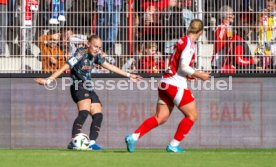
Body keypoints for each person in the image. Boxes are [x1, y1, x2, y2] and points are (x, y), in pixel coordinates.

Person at [35, 35, 141, 150]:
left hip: (88, 87)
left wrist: (129, 75)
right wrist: (48, 80)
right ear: (88, 44)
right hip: (78, 86)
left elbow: (110, 66)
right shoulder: (80, 53)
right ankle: (74, 142)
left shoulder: (95, 56)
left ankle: (91, 143)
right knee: (84, 113)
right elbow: (64, 66)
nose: (97, 49)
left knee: (98, 115)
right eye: (95, 46)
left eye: (99, 47)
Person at [125, 19, 210, 153]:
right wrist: (200, 74)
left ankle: (133, 137)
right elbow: (183, 66)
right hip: (175, 84)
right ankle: (173, 145)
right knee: (192, 115)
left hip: (165, 82)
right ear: (200, 32)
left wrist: (189, 75)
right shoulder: (190, 44)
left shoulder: (182, 40)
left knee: (161, 117)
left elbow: (178, 65)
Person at [211, 5, 235, 71]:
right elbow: (219, 44)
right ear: (226, 16)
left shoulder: (228, 27)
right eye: (231, 14)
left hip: (223, 59)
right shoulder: (222, 27)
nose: (233, 16)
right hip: (219, 60)